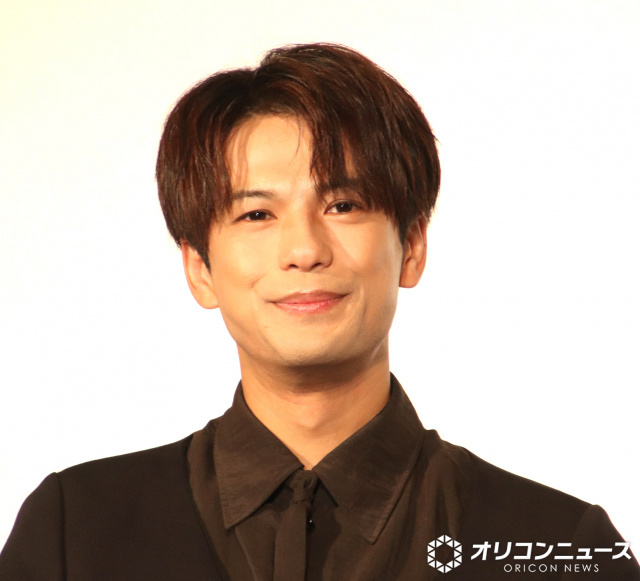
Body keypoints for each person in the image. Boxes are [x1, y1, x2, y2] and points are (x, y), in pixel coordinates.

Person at [0, 42, 638, 581]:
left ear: (412, 246)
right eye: (256, 214)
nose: (304, 250)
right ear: (199, 269)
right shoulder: (74, 530)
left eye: (343, 205)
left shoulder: (562, 546)